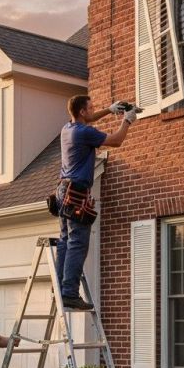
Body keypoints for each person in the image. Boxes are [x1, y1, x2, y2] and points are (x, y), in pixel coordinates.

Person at [56, 95, 136, 310]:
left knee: (65, 240)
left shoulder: (68, 128)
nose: (93, 110)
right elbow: (117, 140)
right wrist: (127, 120)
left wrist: (110, 110)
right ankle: (70, 293)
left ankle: (60, 288)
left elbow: (89, 120)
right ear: (82, 111)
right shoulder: (85, 133)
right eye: (90, 108)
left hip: (63, 190)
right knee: (78, 243)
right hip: (77, 192)